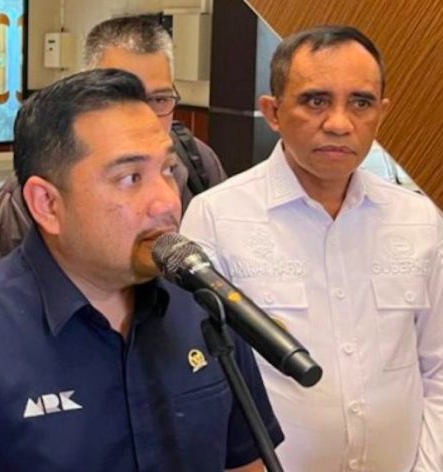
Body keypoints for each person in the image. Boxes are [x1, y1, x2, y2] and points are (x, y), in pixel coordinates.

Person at [0, 69, 282, 472]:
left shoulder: (204, 307)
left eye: (167, 170)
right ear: (47, 204)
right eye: (130, 178)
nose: (166, 201)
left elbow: (246, 462)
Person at [181, 25, 443, 471]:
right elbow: (198, 376)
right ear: (273, 111)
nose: (339, 124)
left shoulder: (417, 219)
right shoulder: (217, 218)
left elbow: (437, 367)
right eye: (316, 101)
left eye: (360, 103)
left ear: (381, 113)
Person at [0, 16, 226, 271]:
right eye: (121, 99)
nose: (144, 117)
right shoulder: (37, 191)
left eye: (159, 100)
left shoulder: (199, 163)